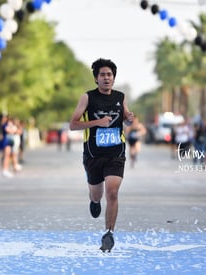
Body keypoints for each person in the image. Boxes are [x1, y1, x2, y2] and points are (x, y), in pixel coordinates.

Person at [69, 58, 134, 252]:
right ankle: (94, 201)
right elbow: (73, 124)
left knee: (112, 191)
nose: (107, 78)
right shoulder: (87, 98)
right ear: (96, 79)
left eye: (110, 75)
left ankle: (109, 233)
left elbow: (126, 119)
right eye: (103, 75)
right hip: (93, 155)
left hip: (116, 153)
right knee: (97, 194)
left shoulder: (120, 97)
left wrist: (129, 119)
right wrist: (97, 123)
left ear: (114, 78)